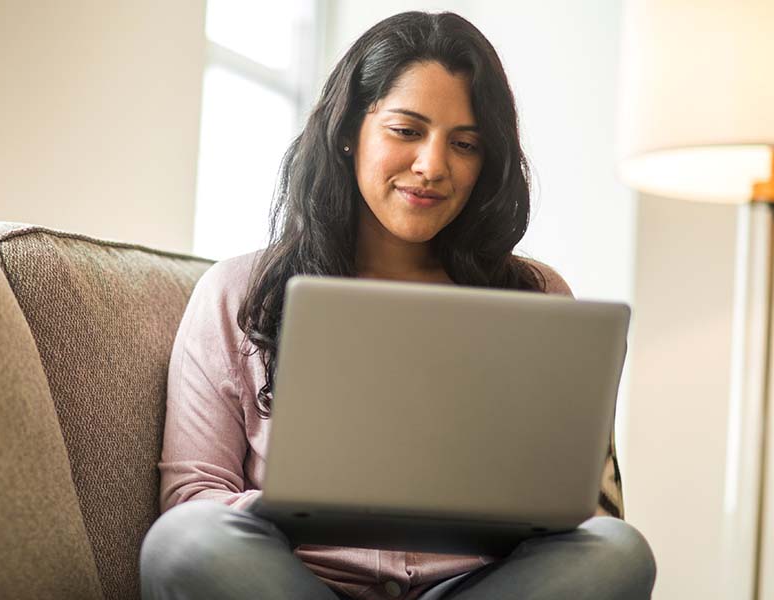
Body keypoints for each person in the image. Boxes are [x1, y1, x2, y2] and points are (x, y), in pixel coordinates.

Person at [139, 10, 656, 600]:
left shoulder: (536, 298)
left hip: (475, 587)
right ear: (348, 131)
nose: (433, 166)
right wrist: (312, 507)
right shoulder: (239, 291)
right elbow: (193, 495)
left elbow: (583, 508)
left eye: (464, 144)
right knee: (183, 541)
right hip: (297, 584)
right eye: (406, 131)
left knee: (618, 554)